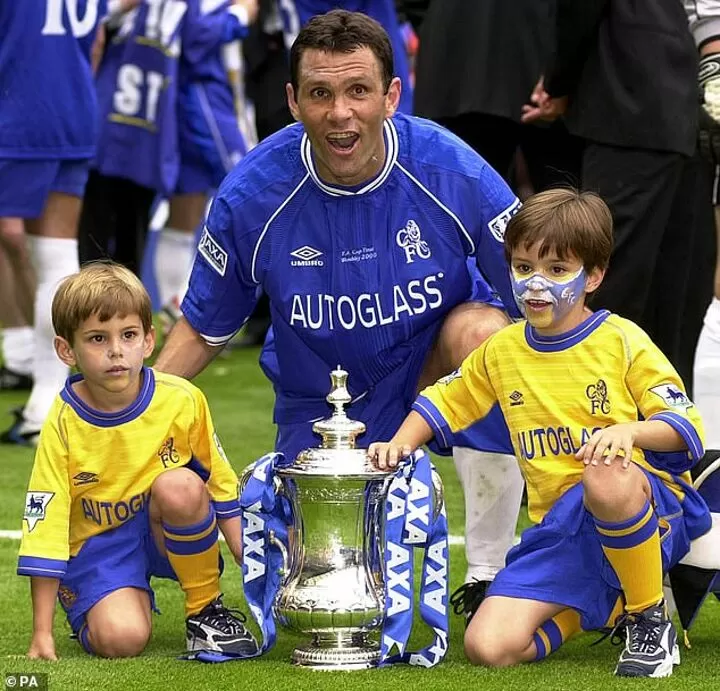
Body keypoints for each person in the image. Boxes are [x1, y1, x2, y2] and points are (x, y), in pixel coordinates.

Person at [155, 8, 526, 596]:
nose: (340, 113)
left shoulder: (451, 169)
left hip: (431, 377)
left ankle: (488, 574)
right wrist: (124, 412)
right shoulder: (252, 195)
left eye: (358, 91)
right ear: (294, 101)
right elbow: (204, 329)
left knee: (487, 334)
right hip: (321, 410)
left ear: (391, 96)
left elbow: (538, 303)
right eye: (320, 94)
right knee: (318, 582)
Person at [368, 188, 711, 678]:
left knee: (603, 474)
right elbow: (446, 398)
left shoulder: (621, 339)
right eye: (524, 267)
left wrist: (630, 434)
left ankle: (647, 618)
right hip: (560, 530)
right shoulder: (501, 350)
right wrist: (401, 442)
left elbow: (684, 428)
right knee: (488, 647)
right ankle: (597, 609)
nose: (536, 285)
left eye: (556, 270)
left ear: (593, 276)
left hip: (645, 506)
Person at [17, 262, 257, 661]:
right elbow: (45, 524)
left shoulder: (182, 398)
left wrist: (245, 554)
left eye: (128, 335)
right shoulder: (62, 421)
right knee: (122, 640)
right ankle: (105, 604)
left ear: (148, 341)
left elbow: (219, 481)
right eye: (97, 338)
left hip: (163, 525)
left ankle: (204, 612)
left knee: (181, 485)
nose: (115, 350)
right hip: (99, 547)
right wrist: (41, 633)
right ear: (66, 350)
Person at [521, 0, 715, 391]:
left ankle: (596, 412)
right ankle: (667, 427)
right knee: (674, 289)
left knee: (607, 274)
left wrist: (558, 82)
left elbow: (579, 12)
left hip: (631, 99)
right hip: (684, 103)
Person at [0, 0, 138, 445]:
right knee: (56, 255)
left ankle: (33, 376)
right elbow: (97, 39)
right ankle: (48, 402)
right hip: (72, 112)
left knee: (41, 254)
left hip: (15, 115)